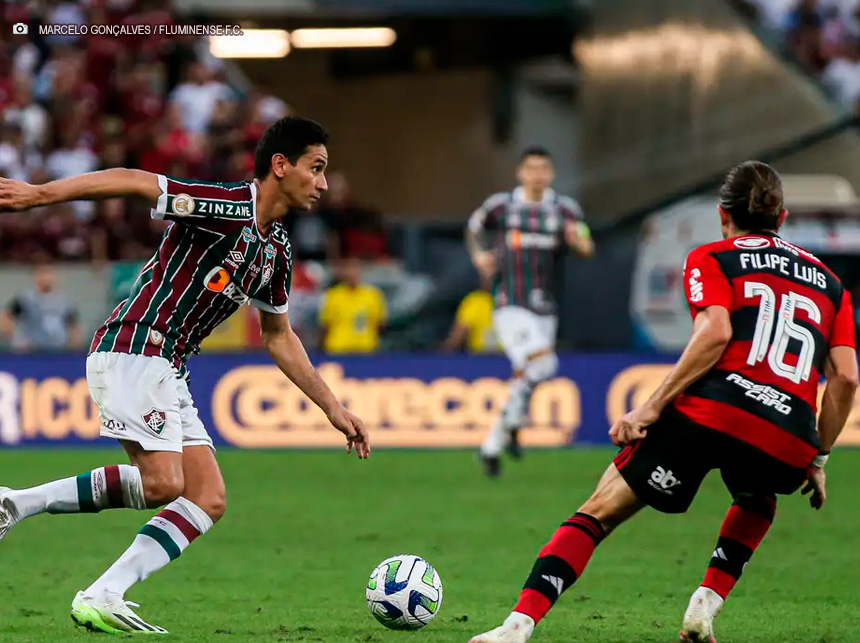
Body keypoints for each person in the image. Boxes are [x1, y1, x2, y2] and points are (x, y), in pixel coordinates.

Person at [0, 116, 371, 635]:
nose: (324, 183)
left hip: (169, 365)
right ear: (281, 166)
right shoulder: (224, 206)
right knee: (164, 484)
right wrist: (40, 195)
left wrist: (334, 408)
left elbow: (279, 335)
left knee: (206, 498)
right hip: (134, 344)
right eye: (316, 168)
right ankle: (20, 505)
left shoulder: (277, 253)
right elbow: (135, 181)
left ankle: (102, 588)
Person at [468, 161, 859, 643]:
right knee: (758, 494)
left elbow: (714, 333)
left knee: (600, 510)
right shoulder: (833, 285)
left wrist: (650, 406)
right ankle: (706, 602)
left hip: (713, 410)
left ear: (723, 216)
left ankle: (517, 626)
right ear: (782, 218)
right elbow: (846, 379)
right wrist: (817, 455)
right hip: (788, 431)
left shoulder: (712, 257)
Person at [466, 146, 594, 477]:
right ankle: (503, 433)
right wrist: (479, 256)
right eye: (531, 168)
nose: (537, 174)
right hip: (510, 303)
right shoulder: (501, 206)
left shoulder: (565, 210)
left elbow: (586, 244)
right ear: (519, 172)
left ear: (550, 174)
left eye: (543, 169)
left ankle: (499, 439)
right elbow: (473, 228)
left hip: (545, 306)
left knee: (530, 373)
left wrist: (578, 242)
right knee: (543, 363)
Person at [0, 263, 82, 352]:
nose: (46, 278)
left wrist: (74, 343)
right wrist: (17, 339)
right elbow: (6, 317)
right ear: (36, 277)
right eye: (42, 274)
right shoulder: (26, 299)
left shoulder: (65, 302)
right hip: (33, 351)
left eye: (48, 274)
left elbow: (74, 325)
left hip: (59, 350)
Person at [318, 257, 387, 354]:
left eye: (355, 269)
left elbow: (380, 324)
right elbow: (325, 325)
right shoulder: (333, 295)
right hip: (338, 349)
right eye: (349, 269)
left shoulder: (373, 295)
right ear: (343, 273)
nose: (352, 273)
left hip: (366, 349)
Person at [443, 276, 500, 353]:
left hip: (506, 357)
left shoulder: (513, 303)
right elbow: (457, 337)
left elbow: (455, 339)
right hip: (479, 357)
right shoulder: (475, 301)